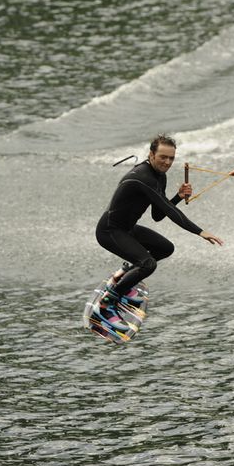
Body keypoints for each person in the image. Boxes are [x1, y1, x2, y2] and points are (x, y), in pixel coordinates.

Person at [94, 134, 223, 328]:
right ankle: (107, 304)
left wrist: (178, 196)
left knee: (165, 248)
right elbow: (170, 212)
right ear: (151, 154)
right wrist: (199, 231)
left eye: (171, 158)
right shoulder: (143, 177)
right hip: (110, 231)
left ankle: (121, 278)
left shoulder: (159, 177)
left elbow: (158, 215)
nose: (167, 162)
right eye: (163, 157)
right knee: (147, 264)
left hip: (127, 229)